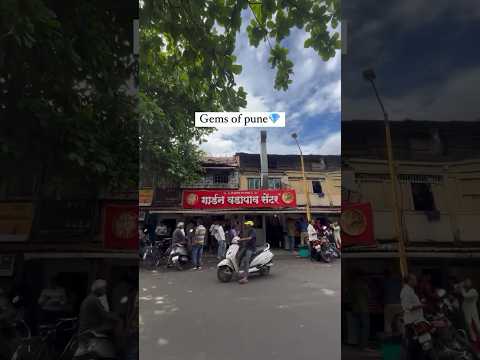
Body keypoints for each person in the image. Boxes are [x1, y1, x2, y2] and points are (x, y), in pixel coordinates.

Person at [401, 273, 426, 359]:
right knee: (412, 345)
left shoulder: (410, 290)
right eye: (414, 279)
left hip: (416, 321)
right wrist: (421, 305)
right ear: (409, 281)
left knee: (417, 344)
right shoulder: (405, 291)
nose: (416, 281)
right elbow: (407, 307)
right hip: (412, 322)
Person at [351, 270, 373, 352]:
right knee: (365, 328)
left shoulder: (352, 285)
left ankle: (359, 345)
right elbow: (369, 296)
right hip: (364, 309)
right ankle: (364, 346)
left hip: (355, 309)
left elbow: (350, 297)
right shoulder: (364, 285)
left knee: (357, 328)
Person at [457, 278, 480, 346]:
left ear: (471, 283)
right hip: (467, 311)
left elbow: (465, 296)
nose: (466, 283)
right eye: (466, 282)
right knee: (469, 325)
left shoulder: (473, 291)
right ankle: (474, 340)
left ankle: (476, 339)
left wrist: (461, 287)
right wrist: (459, 286)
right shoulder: (466, 290)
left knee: (477, 324)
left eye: (468, 282)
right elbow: (457, 292)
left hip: (472, 311)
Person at [383, 269, 403, 335]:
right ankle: (402, 338)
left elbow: (382, 293)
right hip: (399, 304)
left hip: (389, 304)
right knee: (399, 322)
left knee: (388, 323)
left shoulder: (386, 282)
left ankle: (389, 339)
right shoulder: (399, 282)